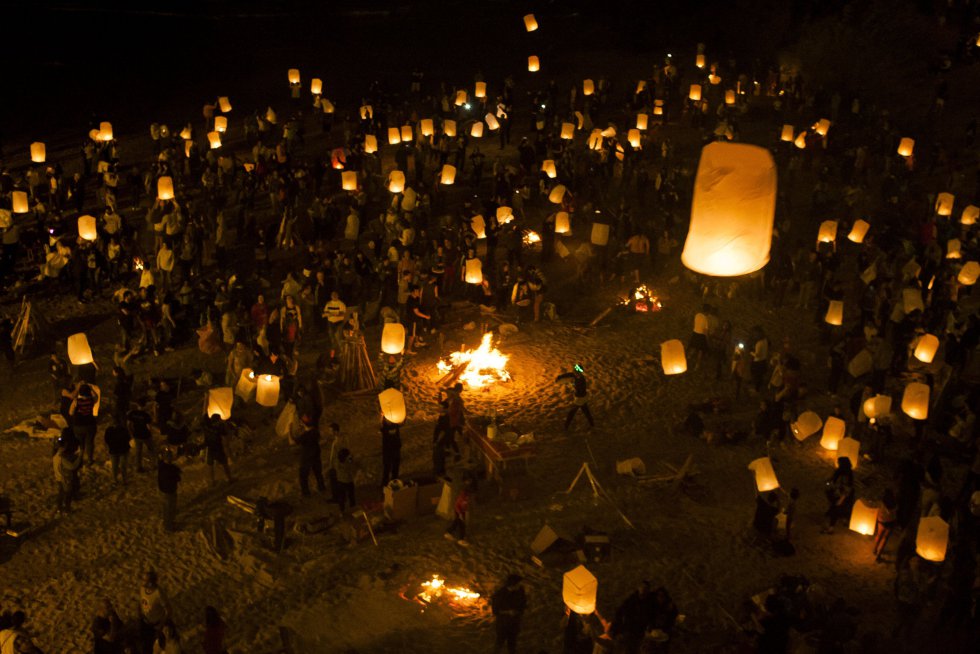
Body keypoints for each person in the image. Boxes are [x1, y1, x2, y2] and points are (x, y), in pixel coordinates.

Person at [611, 581, 656, 653]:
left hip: (641, 630)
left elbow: (652, 615)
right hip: (630, 629)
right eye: (642, 587)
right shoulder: (631, 600)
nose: (643, 589)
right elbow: (620, 613)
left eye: (645, 588)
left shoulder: (651, 602)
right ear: (639, 588)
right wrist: (617, 629)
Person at [491, 573, 527, 654]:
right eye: (519, 583)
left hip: (515, 621)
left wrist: (518, 611)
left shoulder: (520, 591)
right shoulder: (500, 595)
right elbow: (495, 610)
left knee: (512, 642)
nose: (520, 585)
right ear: (513, 584)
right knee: (500, 641)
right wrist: (508, 612)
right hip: (503, 622)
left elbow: (523, 603)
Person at [137, 569, 171, 654]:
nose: (142, 581)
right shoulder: (142, 588)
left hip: (156, 624)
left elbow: (169, 610)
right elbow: (141, 600)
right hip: (145, 621)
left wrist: (161, 624)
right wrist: (139, 613)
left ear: (150, 583)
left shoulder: (158, 593)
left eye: (144, 580)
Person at [555, 364, 594, 431]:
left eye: (576, 372)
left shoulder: (581, 380)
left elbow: (580, 390)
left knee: (572, 412)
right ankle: (592, 424)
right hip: (581, 398)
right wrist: (560, 376)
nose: (574, 373)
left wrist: (573, 385)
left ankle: (566, 427)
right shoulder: (576, 375)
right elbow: (569, 374)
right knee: (586, 411)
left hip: (580, 399)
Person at [822, 457, 855, 534]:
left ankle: (831, 527)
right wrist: (828, 482)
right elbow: (832, 479)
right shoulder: (838, 471)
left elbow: (848, 489)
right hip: (836, 491)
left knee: (836, 508)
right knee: (835, 506)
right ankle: (834, 520)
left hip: (843, 494)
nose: (838, 463)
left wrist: (841, 499)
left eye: (839, 462)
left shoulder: (848, 474)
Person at [70, 382, 100, 466]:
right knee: (89, 443)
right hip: (90, 424)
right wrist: (91, 388)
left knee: (80, 444)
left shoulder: (77, 401)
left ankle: (80, 459)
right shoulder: (91, 400)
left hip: (78, 425)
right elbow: (96, 397)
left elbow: (71, 412)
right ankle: (90, 460)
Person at [295, 416, 326, 497]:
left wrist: (289, 431)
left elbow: (292, 442)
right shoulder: (316, 432)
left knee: (303, 476)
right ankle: (322, 488)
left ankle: (306, 493)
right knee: (318, 473)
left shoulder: (305, 435)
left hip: (306, 457)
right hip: (316, 455)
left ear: (304, 424)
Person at [53, 437, 82, 514]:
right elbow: (72, 466)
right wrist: (79, 457)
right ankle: (67, 510)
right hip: (65, 479)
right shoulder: (62, 458)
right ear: (63, 447)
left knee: (61, 493)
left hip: (58, 478)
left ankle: (59, 508)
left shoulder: (55, 456)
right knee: (68, 494)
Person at [203, 415, 233, 484]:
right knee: (224, 464)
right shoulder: (219, 428)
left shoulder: (206, 426)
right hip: (218, 448)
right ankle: (230, 478)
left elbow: (204, 417)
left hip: (209, 448)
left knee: (210, 465)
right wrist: (225, 425)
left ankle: (212, 481)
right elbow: (226, 435)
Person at [157, 449, 182, 532]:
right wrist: (177, 475)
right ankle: (168, 527)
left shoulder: (162, 466)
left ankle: (168, 523)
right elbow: (176, 478)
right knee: (169, 509)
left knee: (166, 508)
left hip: (164, 491)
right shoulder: (170, 469)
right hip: (169, 491)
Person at [128, 399, 155, 472]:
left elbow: (129, 425)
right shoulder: (146, 415)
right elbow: (149, 426)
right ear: (145, 405)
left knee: (138, 452)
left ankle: (138, 467)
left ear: (137, 405)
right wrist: (151, 433)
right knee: (151, 450)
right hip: (146, 435)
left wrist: (132, 433)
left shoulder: (132, 413)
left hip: (137, 435)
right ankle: (153, 465)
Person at [103, 414, 131, 485]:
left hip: (115, 450)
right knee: (121, 466)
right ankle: (123, 480)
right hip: (121, 450)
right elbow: (128, 438)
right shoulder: (123, 429)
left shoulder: (109, 430)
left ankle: (116, 480)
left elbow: (106, 440)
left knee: (116, 466)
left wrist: (108, 447)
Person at [444, 480, 471, 546]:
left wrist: (465, 512)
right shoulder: (462, 497)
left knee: (457, 523)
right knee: (461, 524)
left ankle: (448, 532)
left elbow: (466, 505)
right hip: (458, 511)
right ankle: (461, 539)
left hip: (462, 511)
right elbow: (456, 506)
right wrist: (460, 514)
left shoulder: (467, 497)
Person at [873, 488, 898, 562]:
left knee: (878, 535)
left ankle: (874, 549)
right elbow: (895, 512)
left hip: (881, 521)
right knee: (885, 538)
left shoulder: (881, 503)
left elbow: (873, 506)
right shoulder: (895, 503)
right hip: (890, 522)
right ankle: (878, 556)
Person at [321, 290, 346, 359]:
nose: (334, 296)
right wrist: (325, 314)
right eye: (333, 295)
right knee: (332, 337)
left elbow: (342, 313)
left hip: (339, 322)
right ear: (331, 296)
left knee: (338, 337)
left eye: (335, 295)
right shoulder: (328, 304)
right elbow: (325, 312)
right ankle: (333, 352)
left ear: (338, 296)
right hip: (330, 323)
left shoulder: (341, 304)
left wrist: (332, 314)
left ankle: (343, 351)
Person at [332, 447, 357, 512]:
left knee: (341, 497)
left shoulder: (337, 463)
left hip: (340, 482)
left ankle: (342, 509)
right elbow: (353, 467)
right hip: (348, 481)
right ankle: (352, 505)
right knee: (351, 495)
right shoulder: (348, 464)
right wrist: (352, 460)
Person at [380, 417, 401, 487]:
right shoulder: (384, 428)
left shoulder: (395, 424)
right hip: (388, 451)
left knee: (395, 468)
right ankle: (385, 485)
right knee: (387, 468)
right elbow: (382, 429)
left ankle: (394, 484)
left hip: (395, 450)